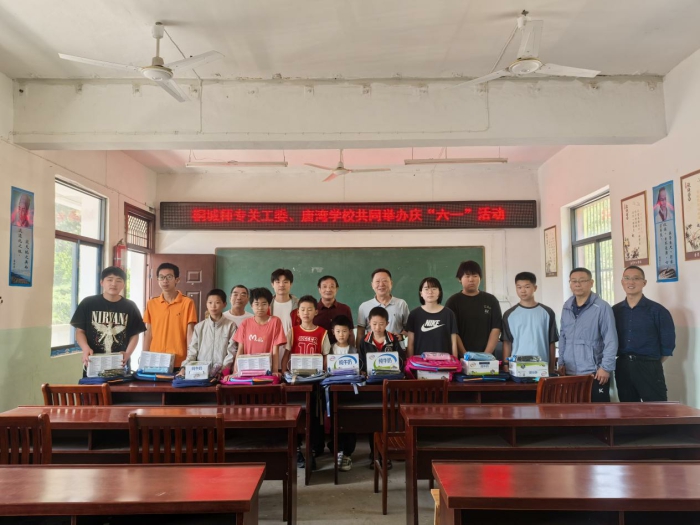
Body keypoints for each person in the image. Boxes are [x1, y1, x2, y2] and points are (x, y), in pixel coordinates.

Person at [613, 266, 675, 402]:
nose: (631, 282)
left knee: (656, 408)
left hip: (649, 365)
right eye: (627, 278)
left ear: (644, 283)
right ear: (622, 282)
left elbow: (668, 345)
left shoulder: (658, 311)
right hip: (623, 366)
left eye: (636, 278)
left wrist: (650, 363)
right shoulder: (615, 311)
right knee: (628, 408)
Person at [283, 295, 331, 470]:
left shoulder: (322, 332)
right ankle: (297, 449)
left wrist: (324, 373)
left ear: (316, 312)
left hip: (315, 382)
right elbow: (287, 354)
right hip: (296, 381)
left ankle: (313, 449)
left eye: (309, 309)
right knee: (296, 415)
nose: (306, 312)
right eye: (302, 309)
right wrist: (283, 372)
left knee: (314, 416)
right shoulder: (293, 331)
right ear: (298, 312)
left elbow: (326, 357)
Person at [70, 266, 146, 371]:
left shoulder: (130, 306)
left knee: (121, 382)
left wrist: (128, 353)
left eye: (118, 280)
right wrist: (85, 348)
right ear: (102, 282)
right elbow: (80, 331)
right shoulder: (88, 303)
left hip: (120, 362)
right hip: (93, 361)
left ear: (123, 285)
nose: (114, 284)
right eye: (109, 280)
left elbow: (135, 334)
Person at [558, 267, 617, 402]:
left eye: (582, 281)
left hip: (595, 372)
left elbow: (611, 339)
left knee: (597, 410)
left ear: (591, 283)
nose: (578, 284)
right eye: (574, 281)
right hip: (570, 371)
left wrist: (605, 368)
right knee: (573, 409)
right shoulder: (567, 306)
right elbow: (563, 337)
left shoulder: (602, 307)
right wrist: (561, 362)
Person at [360, 306, 404, 470]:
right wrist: (364, 372)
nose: (377, 327)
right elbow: (361, 363)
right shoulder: (364, 341)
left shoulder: (394, 340)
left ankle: (387, 453)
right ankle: (374, 453)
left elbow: (401, 360)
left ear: (387, 323)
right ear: (369, 323)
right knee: (373, 418)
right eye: (374, 324)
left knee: (389, 419)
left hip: (390, 385)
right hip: (372, 386)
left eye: (381, 324)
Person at [501, 272, 559, 374]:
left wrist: (551, 367)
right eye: (519, 287)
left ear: (535, 288)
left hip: (542, 367)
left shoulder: (547, 312)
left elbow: (551, 341)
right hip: (518, 367)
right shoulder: (509, 314)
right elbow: (507, 342)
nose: (523, 290)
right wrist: (506, 365)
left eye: (527, 287)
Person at [143, 263, 198, 368]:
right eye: (161, 277)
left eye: (169, 277)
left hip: (178, 360)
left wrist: (190, 360)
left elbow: (190, 333)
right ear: (157, 280)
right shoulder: (151, 303)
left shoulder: (187, 303)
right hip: (156, 360)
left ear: (177, 280)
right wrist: (144, 359)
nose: (165, 281)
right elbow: (148, 333)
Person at [445, 260, 502, 356]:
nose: (471, 279)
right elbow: (453, 332)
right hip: (461, 358)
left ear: (480, 278)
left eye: (475, 276)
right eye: (467, 276)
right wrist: (465, 355)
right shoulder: (453, 302)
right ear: (459, 279)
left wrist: (485, 356)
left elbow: (496, 328)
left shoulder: (491, 300)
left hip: (487, 358)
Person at [229, 287, 287, 378]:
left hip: (267, 371)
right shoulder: (245, 323)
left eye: (264, 304)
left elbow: (275, 349)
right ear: (251, 305)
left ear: (269, 305)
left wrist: (275, 371)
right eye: (256, 304)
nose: (260, 308)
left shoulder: (275, 322)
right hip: (247, 371)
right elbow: (240, 349)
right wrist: (236, 372)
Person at [179, 289, 237, 375]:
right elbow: (192, 351)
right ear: (206, 304)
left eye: (217, 303)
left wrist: (223, 369)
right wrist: (184, 367)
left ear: (224, 304)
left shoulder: (231, 326)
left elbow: (231, 351)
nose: (213, 306)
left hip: (221, 374)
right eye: (210, 303)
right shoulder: (199, 327)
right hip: (200, 372)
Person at [330, 315, 358, 472]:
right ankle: (337, 450)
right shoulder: (329, 349)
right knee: (335, 421)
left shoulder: (354, 350)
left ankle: (347, 453)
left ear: (350, 332)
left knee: (349, 420)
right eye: (338, 331)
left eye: (345, 331)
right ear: (333, 332)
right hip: (333, 391)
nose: (341, 334)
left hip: (349, 391)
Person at [406, 277, 458, 358]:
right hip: (421, 363)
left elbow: (454, 343)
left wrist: (455, 362)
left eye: (434, 288)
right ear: (421, 293)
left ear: (439, 292)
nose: (430, 292)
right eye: (426, 289)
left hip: (444, 363)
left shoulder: (449, 314)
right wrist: (410, 363)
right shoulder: (414, 314)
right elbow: (410, 343)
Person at [356, 268, 409, 344]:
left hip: (396, 348)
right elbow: (360, 333)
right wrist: (359, 350)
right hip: (371, 349)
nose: (381, 284)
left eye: (385, 281)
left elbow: (409, 329)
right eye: (377, 281)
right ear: (372, 285)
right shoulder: (364, 306)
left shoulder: (401, 304)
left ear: (391, 283)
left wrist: (402, 336)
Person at [313, 275, 355, 346]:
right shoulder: (313, 309)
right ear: (319, 289)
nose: (328, 290)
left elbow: (350, 333)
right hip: (318, 349)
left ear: (336, 289)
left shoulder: (345, 309)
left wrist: (352, 350)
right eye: (324, 286)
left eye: (332, 286)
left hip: (340, 350)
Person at [270, 268, 300, 363]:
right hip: (271, 354)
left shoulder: (300, 306)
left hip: (293, 354)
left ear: (291, 284)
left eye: (285, 282)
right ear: (272, 284)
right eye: (277, 282)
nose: (281, 285)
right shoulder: (266, 306)